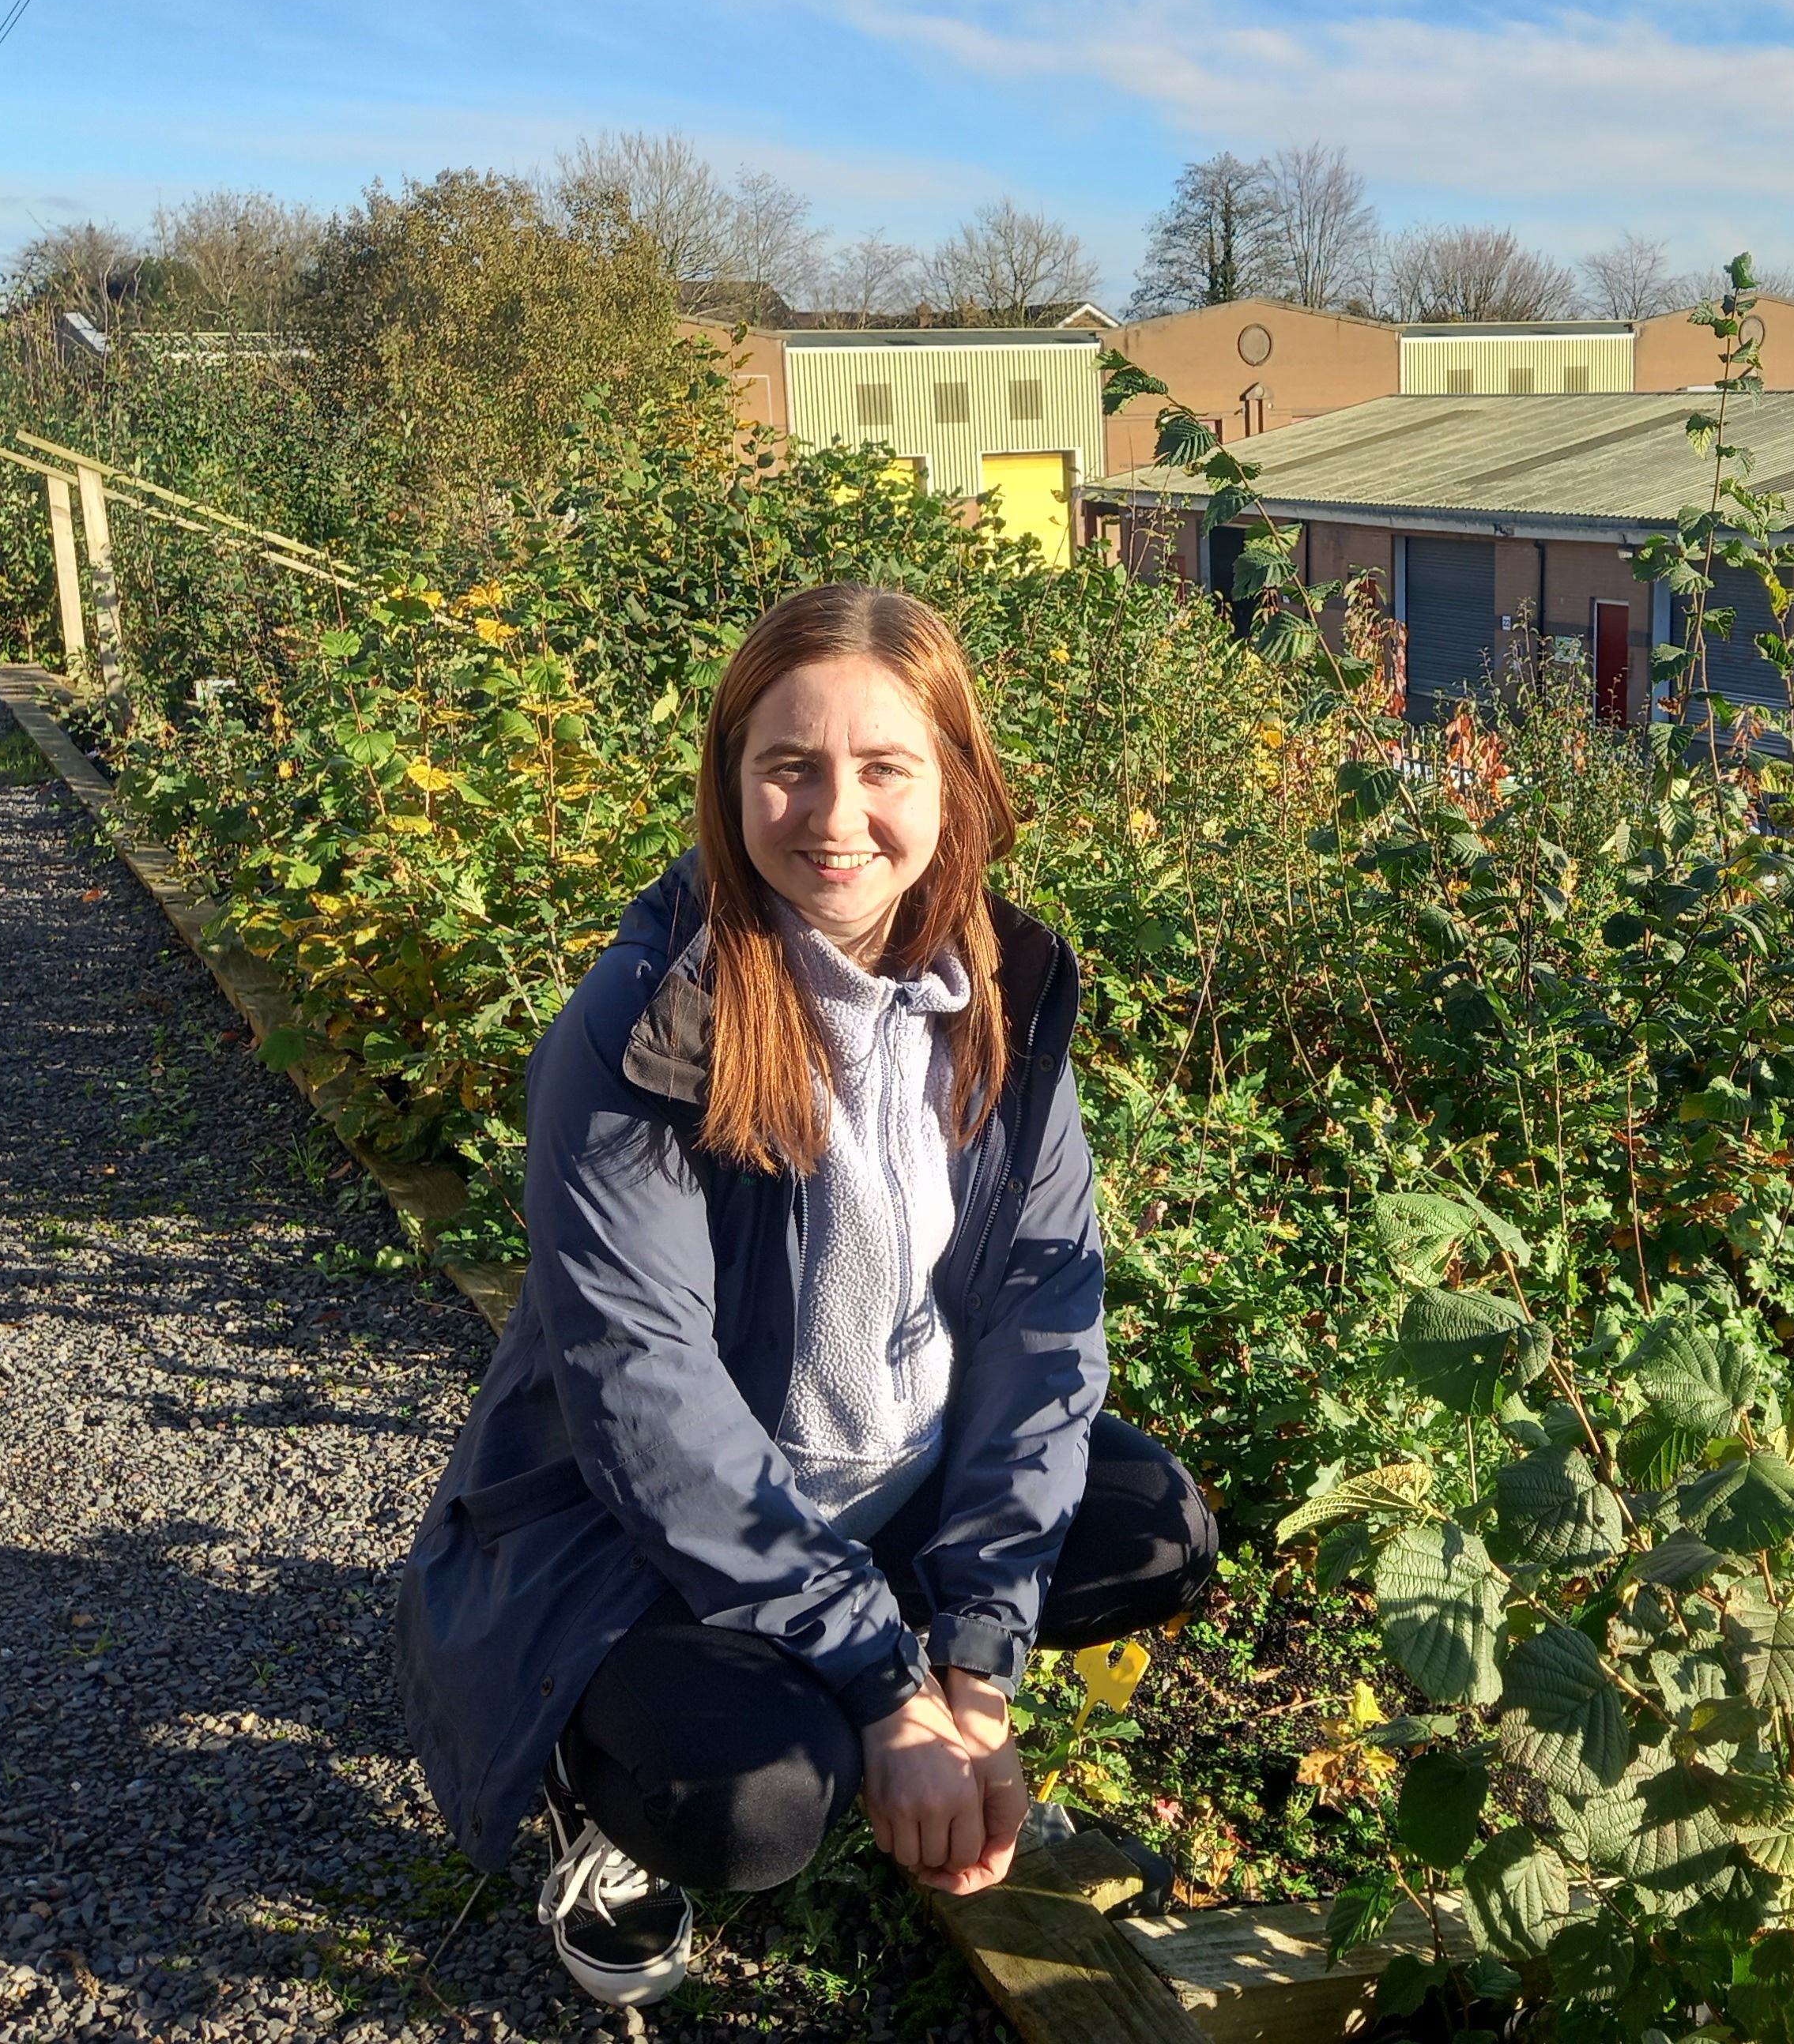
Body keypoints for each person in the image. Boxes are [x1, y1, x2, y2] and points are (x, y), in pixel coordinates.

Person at [395, 582, 1219, 2008]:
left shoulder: (1004, 999)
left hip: (897, 1466)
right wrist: (883, 1687)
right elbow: (647, 1399)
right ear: (732, 782)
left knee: (1158, 1536)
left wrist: (972, 1669)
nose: (836, 817)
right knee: (760, 1804)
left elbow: (1043, 1313)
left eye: (885, 768)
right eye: (791, 766)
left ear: (955, 783)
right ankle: (606, 1799)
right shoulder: (644, 1026)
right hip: (640, 1524)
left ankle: (887, 1678)